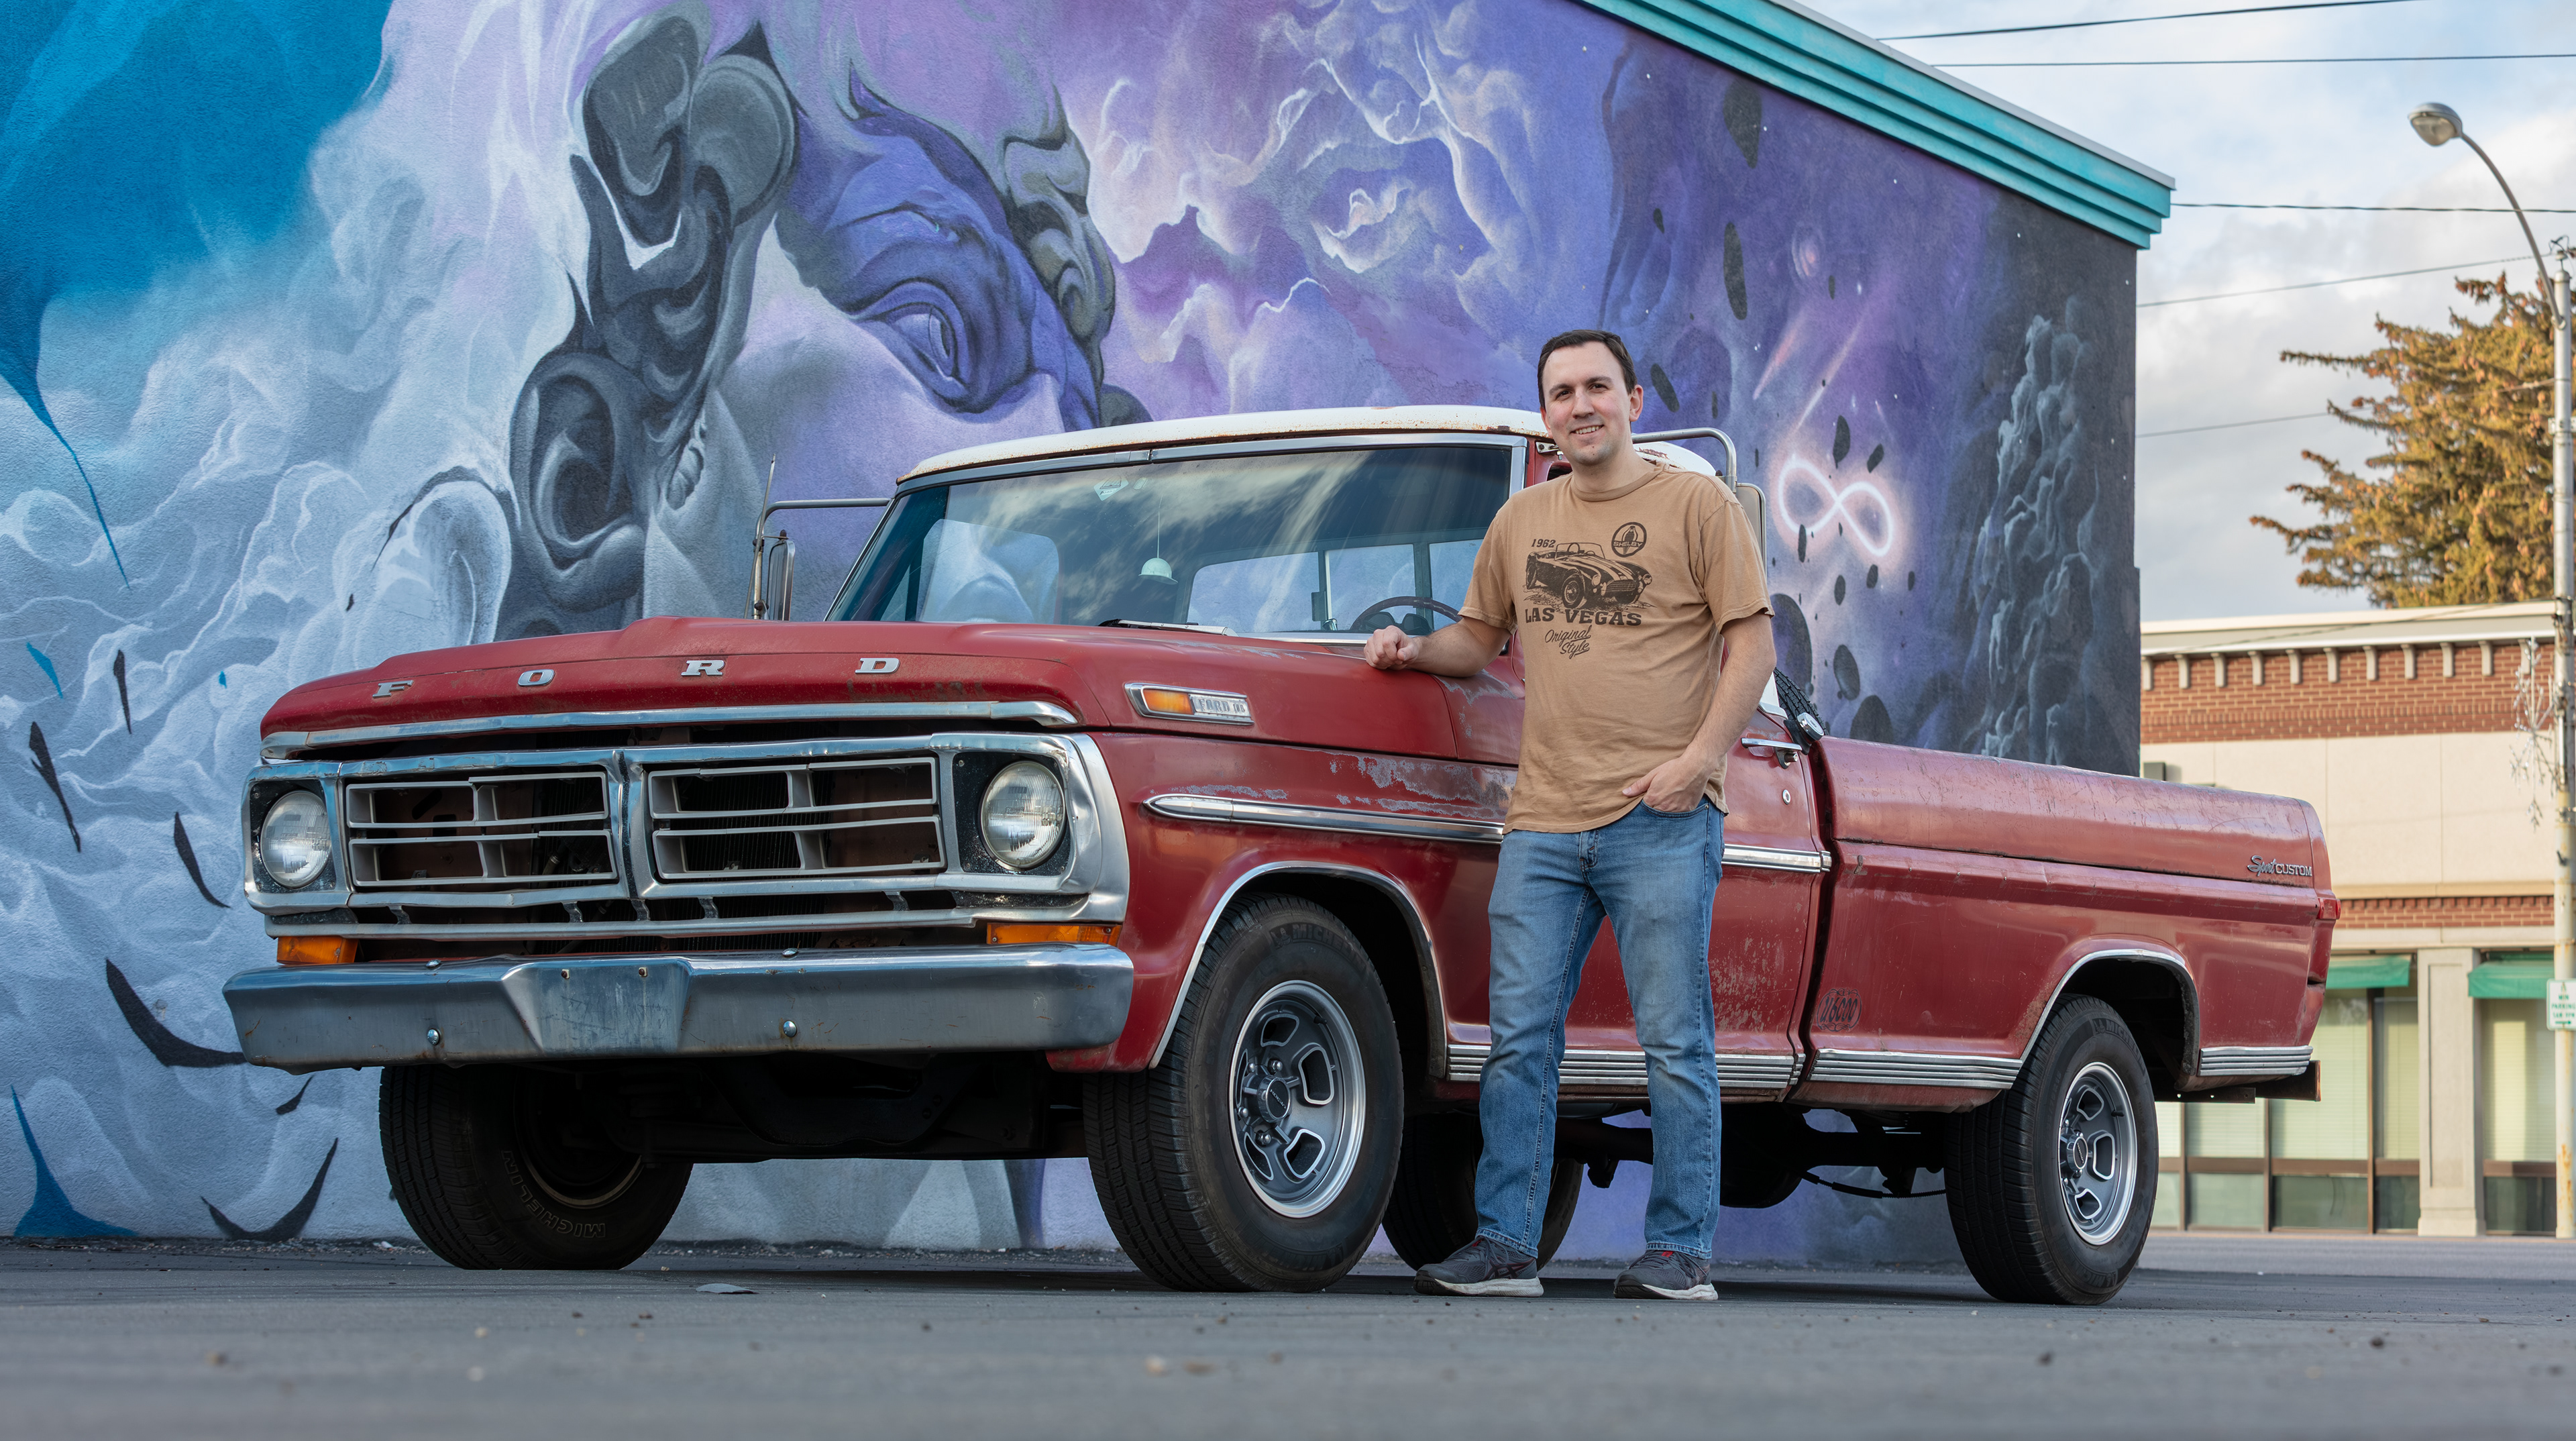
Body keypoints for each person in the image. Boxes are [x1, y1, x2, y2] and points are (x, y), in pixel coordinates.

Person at [1365, 329, 1775, 1301]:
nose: (1580, 406)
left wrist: (1697, 765)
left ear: (1634, 400)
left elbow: (1753, 648)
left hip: (1659, 818)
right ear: (1545, 414)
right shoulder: (1522, 519)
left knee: (1674, 1042)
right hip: (1544, 822)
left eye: (1597, 387)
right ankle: (1508, 1246)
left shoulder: (1697, 506)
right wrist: (1411, 651)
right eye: (1561, 393)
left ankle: (1682, 1253)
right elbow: (1478, 640)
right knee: (1519, 1041)